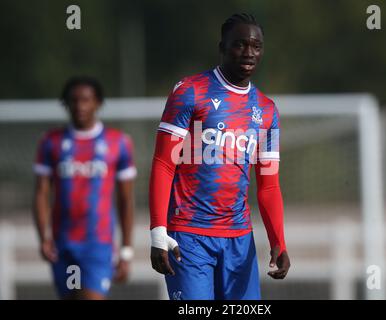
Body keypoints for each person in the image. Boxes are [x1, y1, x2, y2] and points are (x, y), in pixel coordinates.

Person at [149, 13, 290, 300]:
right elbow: (164, 163)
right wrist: (157, 232)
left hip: (239, 240)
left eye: (257, 46)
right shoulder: (190, 91)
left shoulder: (267, 110)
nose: (249, 53)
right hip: (188, 236)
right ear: (222, 47)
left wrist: (279, 242)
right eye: (240, 44)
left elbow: (269, 185)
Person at [32, 76, 136, 299]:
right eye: (74, 100)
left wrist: (126, 251)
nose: (80, 106)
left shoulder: (118, 142)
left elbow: (126, 200)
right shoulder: (52, 142)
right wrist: (43, 237)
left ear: (97, 102)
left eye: (86, 100)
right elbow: (41, 193)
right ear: (66, 103)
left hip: (98, 245)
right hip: (65, 245)